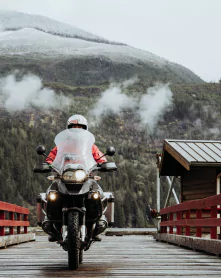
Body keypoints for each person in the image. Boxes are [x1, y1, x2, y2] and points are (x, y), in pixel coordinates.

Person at [45, 114, 107, 242]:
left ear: (85, 130)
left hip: (86, 176)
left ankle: (98, 221)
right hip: (64, 176)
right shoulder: (61, 145)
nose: (77, 130)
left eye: (80, 127)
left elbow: (101, 158)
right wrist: (46, 164)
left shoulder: (90, 146)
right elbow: (51, 158)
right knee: (50, 194)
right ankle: (51, 222)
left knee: (98, 193)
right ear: (68, 129)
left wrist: (104, 164)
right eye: (73, 127)